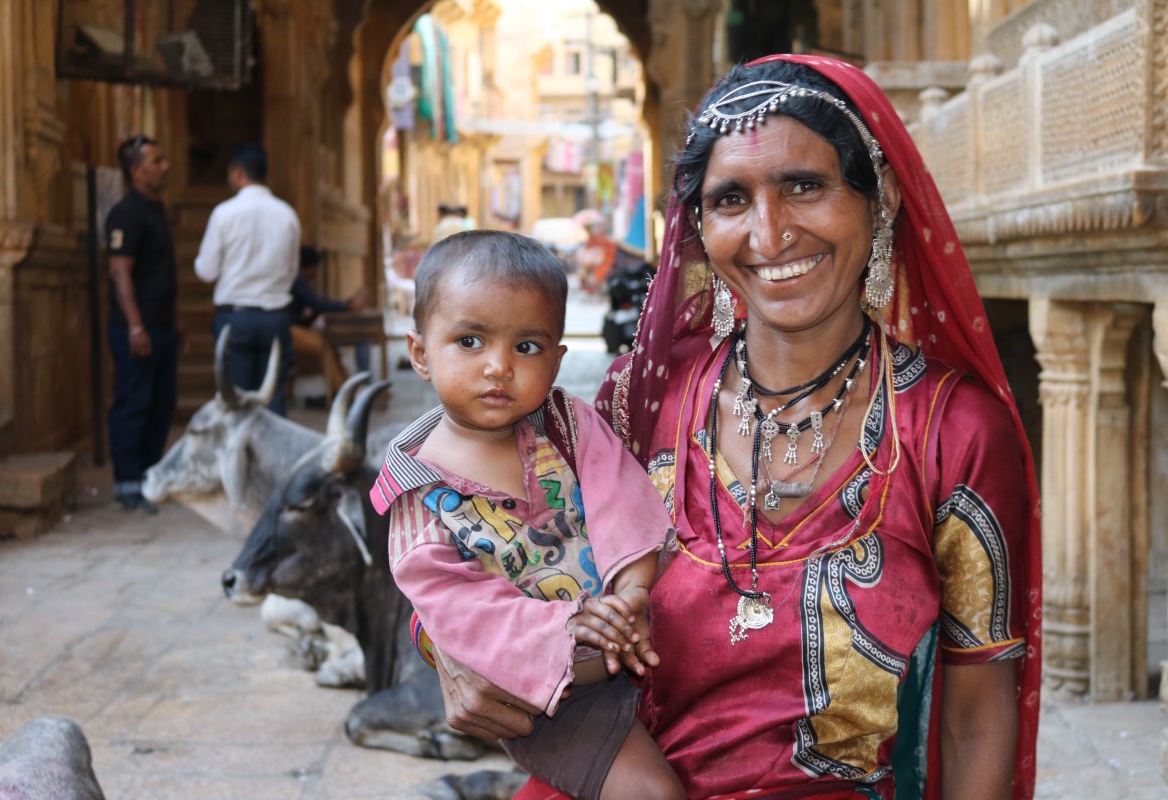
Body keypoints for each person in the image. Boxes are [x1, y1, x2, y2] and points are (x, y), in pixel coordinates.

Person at [432, 55, 1043, 800]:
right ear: (698, 226)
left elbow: (977, 717)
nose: (770, 231)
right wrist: (444, 648)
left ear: (878, 199)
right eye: (730, 199)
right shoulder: (641, 403)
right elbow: (481, 538)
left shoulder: (953, 432)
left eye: (805, 186)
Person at [369, 230, 684, 800]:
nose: (498, 367)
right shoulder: (416, 491)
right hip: (555, 702)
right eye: (469, 341)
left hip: (637, 640)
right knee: (652, 793)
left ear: (558, 358)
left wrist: (633, 591)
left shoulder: (567, 425)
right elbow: (456, 608)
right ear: (420, 353)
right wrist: (563, 626)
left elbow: (622, 499)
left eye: (527, 347)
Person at [104, 134, 186, 513]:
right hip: (137, 330)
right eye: (156, 161)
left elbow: (161, 274)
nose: (164, 166)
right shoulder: (126, 213)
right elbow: (120, 272)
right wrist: (136, 326)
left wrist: (175, 320)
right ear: (135, 171)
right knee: (134, 403)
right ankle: (127, 481)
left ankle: (149, 475)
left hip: (161, 326)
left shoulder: (156, 209)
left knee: (161, 404)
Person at [194, 142, 299, 415]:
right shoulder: (287, 214)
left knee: (235, 404)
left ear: (238, 172)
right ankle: (275, 458)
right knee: (274, 405)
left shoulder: (224, 213)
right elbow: (291, 271)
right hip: (275, 317)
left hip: (235, 320)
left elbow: (207, 271)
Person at [289, 245, 370, 402]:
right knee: (326, 348)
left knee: (330, 348)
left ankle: (342, 390)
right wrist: (347, 306)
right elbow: (317, 304)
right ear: (311, 267)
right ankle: (343, 394)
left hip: (296, 327)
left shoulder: (298, 280)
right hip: (291, 330)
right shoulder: (297, 280)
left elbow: (315, 308)